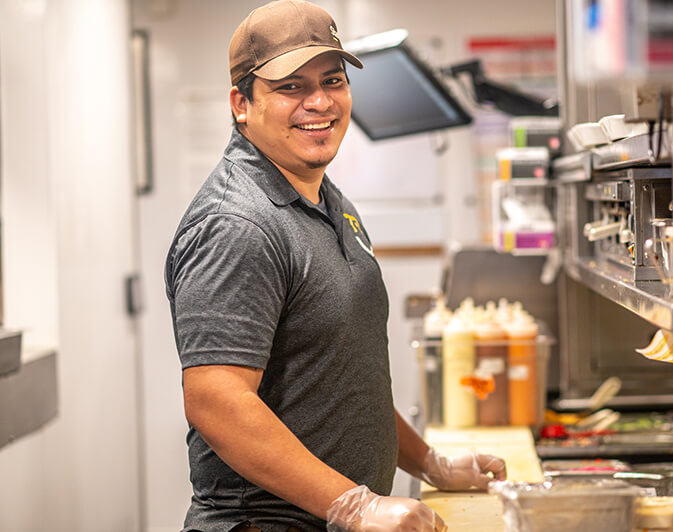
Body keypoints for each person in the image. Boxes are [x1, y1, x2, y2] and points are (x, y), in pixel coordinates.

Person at [164, 2, 507, 531]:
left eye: (333, 80)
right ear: (242, 103)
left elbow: (343, 377)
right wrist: (356, 504)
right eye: (290, 87)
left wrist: (429, 463)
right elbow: (216, 400)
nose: (319, 102)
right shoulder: (237, 223)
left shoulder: (329, 201)